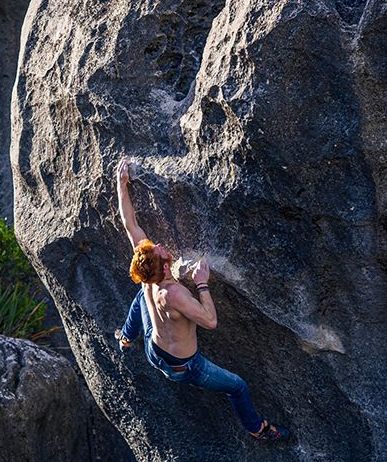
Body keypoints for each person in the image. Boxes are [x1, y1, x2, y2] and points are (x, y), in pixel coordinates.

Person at [114, 159, 288, 442]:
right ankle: (257, 428)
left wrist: (121, 185)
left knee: (140, 297)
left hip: (154, 349)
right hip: (183, 367)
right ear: (166, 266)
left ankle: (125, 338)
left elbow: (128, 221)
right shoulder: (175, 294)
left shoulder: (147, 271)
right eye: (158, 250)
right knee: (238, 387)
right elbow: (210, 321)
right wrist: (201, 283)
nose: (158, 245)